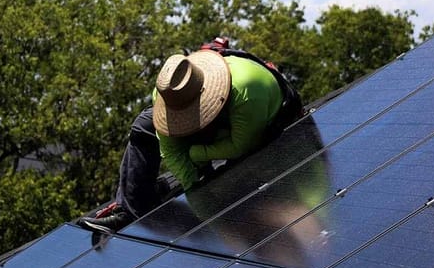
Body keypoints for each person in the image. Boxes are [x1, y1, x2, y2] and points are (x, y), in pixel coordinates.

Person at [78, 39, 303, 236]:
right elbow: (172, 152)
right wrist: (194, 188)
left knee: (240, 186)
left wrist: (197, 155)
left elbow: (241, 145)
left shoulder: (246, 89)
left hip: (263, 126)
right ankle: (133, 209)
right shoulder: (167, 92)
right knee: (144, 126)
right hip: (222, 127)